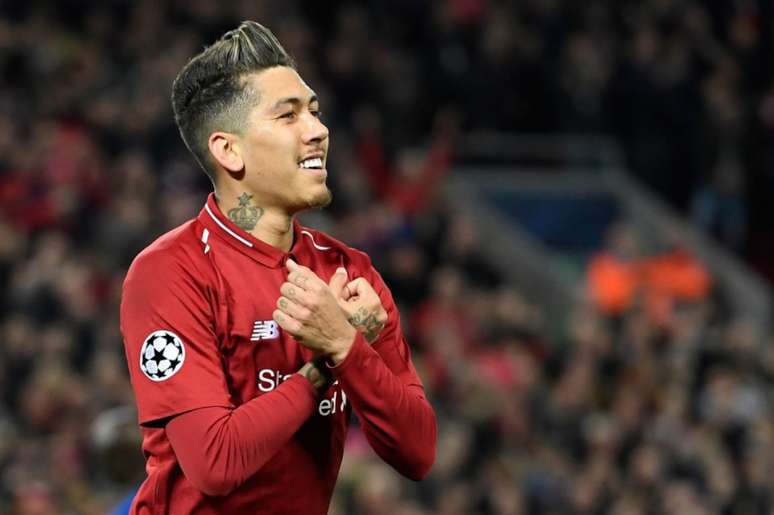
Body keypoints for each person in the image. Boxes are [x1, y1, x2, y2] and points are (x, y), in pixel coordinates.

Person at [119, 21, 437, 514]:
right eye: (288, 116)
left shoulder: (348, 272)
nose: (318, 130)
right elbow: (214, 462)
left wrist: (347, 347)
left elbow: (417, 452)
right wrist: (326, 363)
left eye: (314, 111)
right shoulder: (170, 272)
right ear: (229, 150)